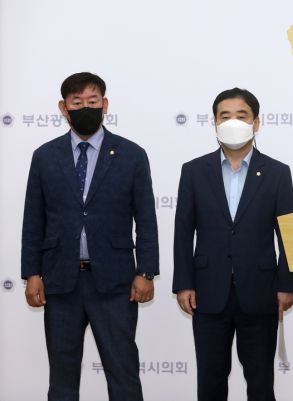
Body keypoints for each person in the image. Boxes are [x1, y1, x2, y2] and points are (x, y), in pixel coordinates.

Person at [21, 72, 159, 401]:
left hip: (115, 284)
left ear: (105, 105)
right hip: (61, 283)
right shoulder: (44, 156)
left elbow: (146, 219)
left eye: (92, 101)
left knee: (123, 375)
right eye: (77, 102)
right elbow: (33, 220)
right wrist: (32, 273)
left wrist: (146, 272)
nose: (86, 107)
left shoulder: (131, 154)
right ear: (63, 108)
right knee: (62, 379)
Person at [173, 88, 293, 401]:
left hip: (261, 292)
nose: (232, 122)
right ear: (214, 123)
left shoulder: (277, 173)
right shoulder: (193, 171)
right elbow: (183, 231)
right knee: (210, 382)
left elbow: (289, 234)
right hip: (207, 292)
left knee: (260, 383)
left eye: (241, 116)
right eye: (224, 116)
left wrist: (287, 284)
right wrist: (184, 283)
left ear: (256, 123)